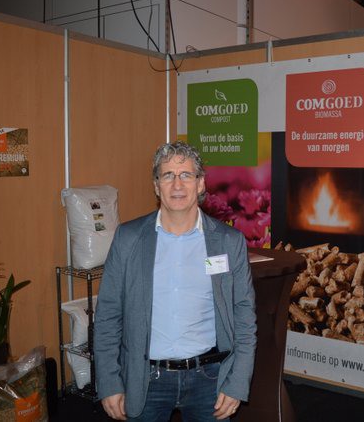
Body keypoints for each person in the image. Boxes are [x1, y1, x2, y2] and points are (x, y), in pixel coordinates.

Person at [94, 141, 257, 421]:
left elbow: (244, 316)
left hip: (210, 380)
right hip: (145, 379)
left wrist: (238, 382)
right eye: (168, 175)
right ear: (156, 186)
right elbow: (108, 314)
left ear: (201, 183)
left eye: (186, 175)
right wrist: (109, 382)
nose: (177, 184)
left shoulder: (229, 242)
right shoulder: (128, 238)